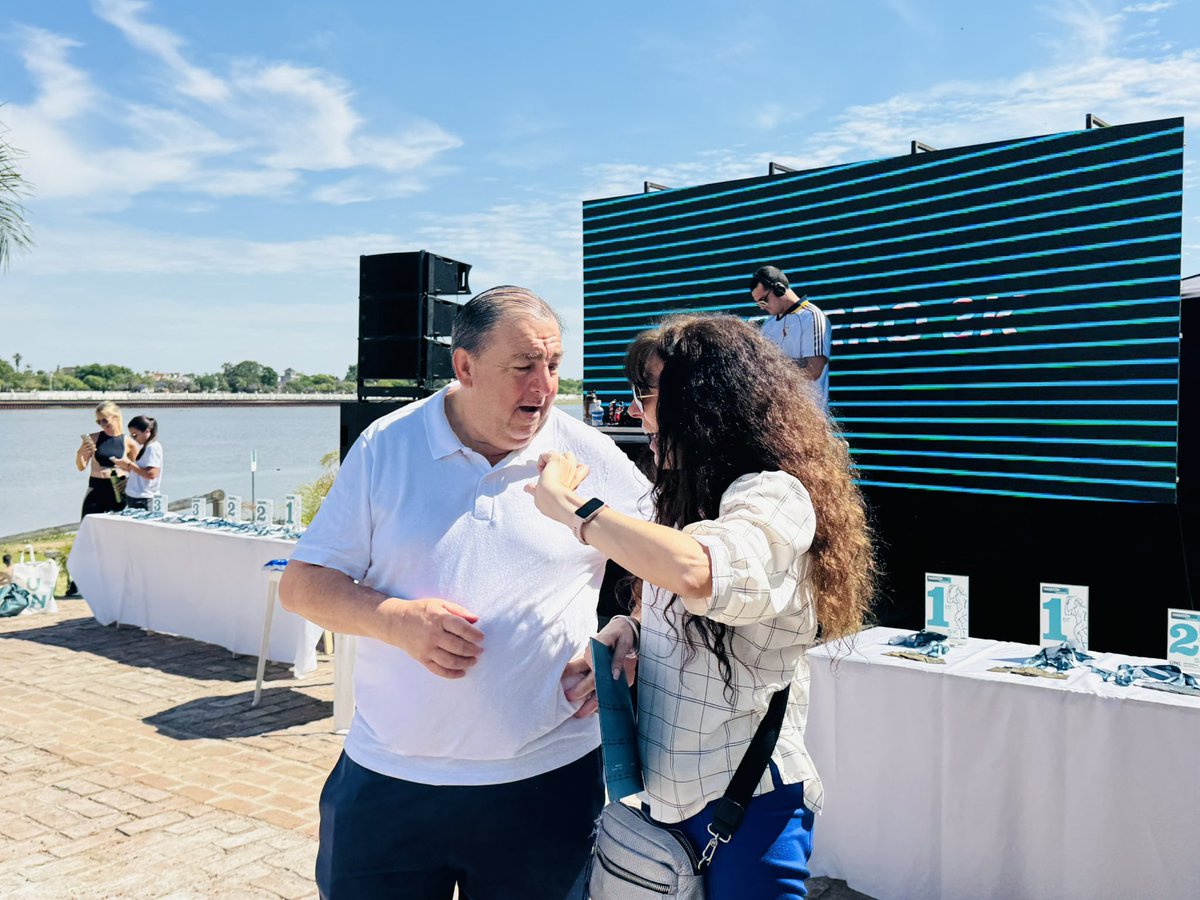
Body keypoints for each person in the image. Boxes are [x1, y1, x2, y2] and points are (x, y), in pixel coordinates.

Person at [278, 285, 650, 899]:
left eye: (554, 366)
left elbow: (666, 561)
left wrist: (630, 629)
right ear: (465, 366)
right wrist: (393, 618)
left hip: (547, 782)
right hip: (389, 783)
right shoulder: (386, 446)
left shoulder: (590, 454)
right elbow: (303, 585)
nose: (544, 387)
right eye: (523, 367)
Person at [526, 313, 876, 899]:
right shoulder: (691, 501)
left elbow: (700, 571)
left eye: (649, 395)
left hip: (748, 806)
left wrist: (572, 507)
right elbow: (684, 595)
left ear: (708, 403)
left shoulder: (775, 494)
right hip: (672, 797)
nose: (639, 412)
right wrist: (630, 631)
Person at [750, 265, 832, 407]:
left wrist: (773, 375)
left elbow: (814, 370)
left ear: (779, 289)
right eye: (758, 304)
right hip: (776, 416)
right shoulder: (768, 324)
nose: (762, 307)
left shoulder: (811, 316)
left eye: (763, 301)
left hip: (807, 416)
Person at [74, 401, 138, 517]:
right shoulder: (93, 438)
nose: (102, 425)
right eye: (99, 422)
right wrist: (81, 452)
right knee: (88, 524)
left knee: (116, 529)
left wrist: (128, 482)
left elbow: (138, 470)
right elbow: (81, 466)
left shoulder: (128, 442)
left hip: (117, 489)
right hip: (96, 487)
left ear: (115, 418)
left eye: (105, 420)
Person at [114, 416, 163, 511]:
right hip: (137, 497)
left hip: (144, 499)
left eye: (135, 435)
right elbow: (141, 471)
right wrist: (128, 477)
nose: (133, 438)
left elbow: (152, 474)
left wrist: (129, 464)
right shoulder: (146, 447)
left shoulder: (152, 447)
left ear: (147, 431)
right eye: (132, 435)